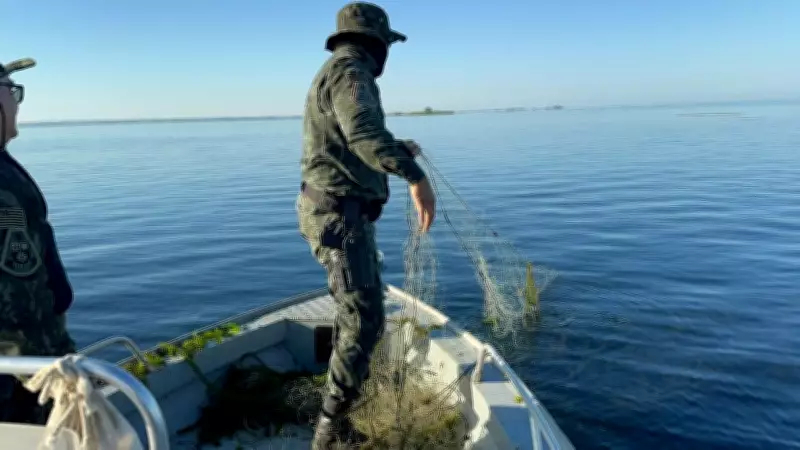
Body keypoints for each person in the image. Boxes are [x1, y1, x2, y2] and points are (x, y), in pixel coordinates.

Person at [296, 2, 437, 448]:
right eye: (388, 45)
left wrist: (397, 147)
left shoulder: (339, 70)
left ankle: (337, 416)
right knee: (364, 321)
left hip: (342, 215)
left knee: (362, 315)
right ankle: (331, 432)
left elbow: (351, 143)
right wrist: (416, 179)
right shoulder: (351, 73)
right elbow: (361, 134)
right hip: (339, 220)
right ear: (376, 43)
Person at [0, 58, 76, 424]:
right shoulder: (3, 188)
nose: (17, 103)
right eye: (12, 92)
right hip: (18, 385)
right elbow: (20, 302)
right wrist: (54, 374)